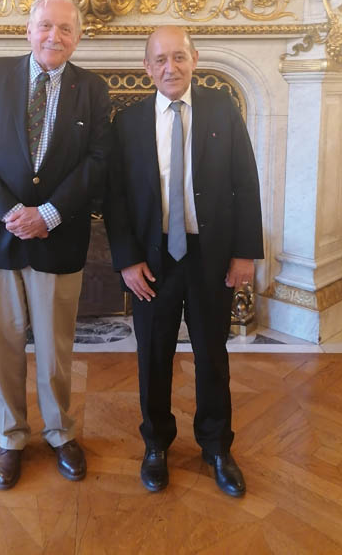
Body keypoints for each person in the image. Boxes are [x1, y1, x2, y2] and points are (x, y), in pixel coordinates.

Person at [0, 0, 111, 490]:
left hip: (57, 235)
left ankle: (60, 432)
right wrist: (11, 212)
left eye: (66, 29)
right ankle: (10, 438)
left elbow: (97, 161)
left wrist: (47, 213)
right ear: (29, 30)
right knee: (2, 343)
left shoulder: (92, 88)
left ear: (78, 38)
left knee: (55, 345)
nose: (55, 35)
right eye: (46, 25)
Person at [104, 26, 263, 496]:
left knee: (212, 357)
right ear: (146, 67)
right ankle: (156, 445)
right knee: (153, 356)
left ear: (195, 58)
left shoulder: (221, 108)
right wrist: (127, 261)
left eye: (178, 57)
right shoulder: (127, 122)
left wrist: (244, 252)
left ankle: (216, 446)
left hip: (211, 260)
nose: (169, 68)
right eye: (159, 60)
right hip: (152, 261)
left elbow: (246, 182)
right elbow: (115, 198)